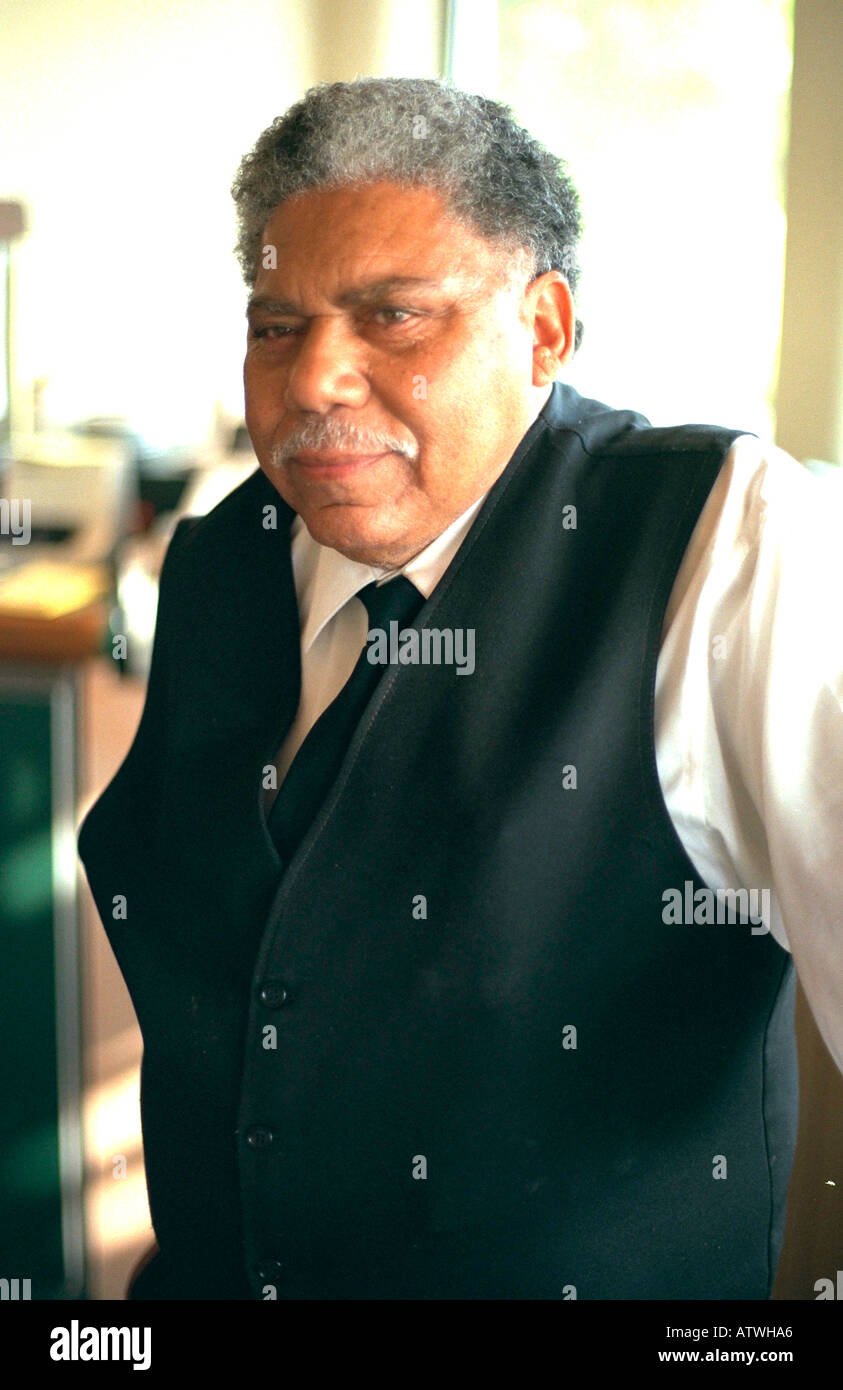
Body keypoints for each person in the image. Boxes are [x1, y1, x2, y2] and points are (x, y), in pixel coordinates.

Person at [78, 76, 843, 1301]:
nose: (315, 377)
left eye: (392, 316)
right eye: (276, 325)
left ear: (543, 328)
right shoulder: (221, 557)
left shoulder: (727, 543)